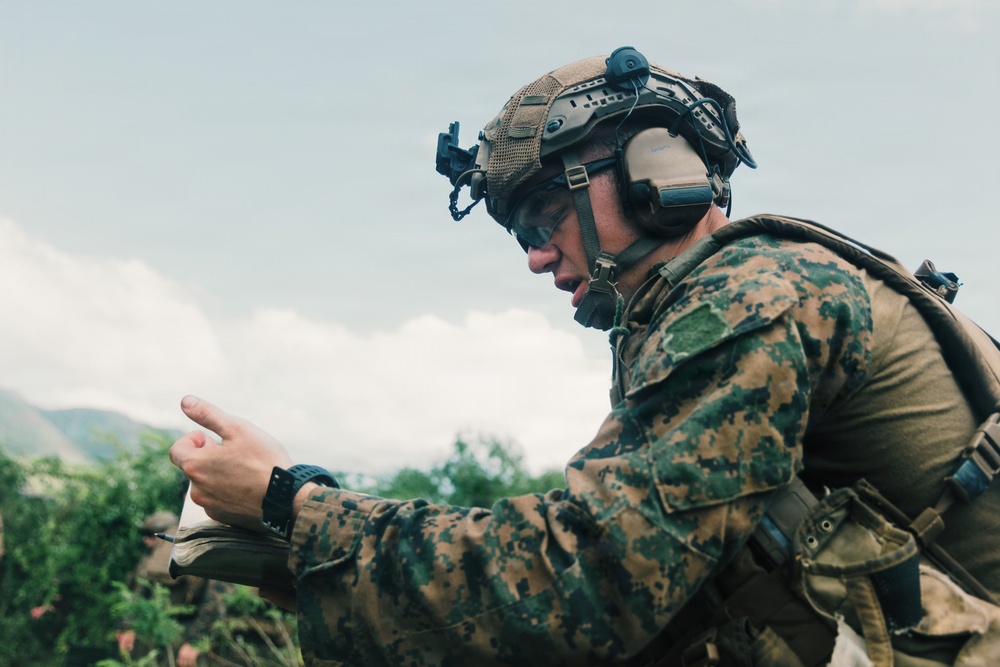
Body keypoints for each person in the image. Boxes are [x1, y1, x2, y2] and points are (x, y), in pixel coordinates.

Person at [170, 47, 1000, 666]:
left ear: (653, 169)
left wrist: (298, 509)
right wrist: (301, 541)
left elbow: (588, 580)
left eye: (541, 217)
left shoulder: (753, 297)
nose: (535, 257)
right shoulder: (728, 302)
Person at [117, 510, 231, 667]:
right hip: (157, 636)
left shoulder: (200, 542)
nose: (146, 540)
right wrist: (128, 626)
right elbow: (139, 592)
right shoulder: (154, 557)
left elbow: (215, 599)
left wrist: (195, 641)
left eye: (151, 534)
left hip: (187, 635)